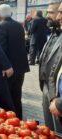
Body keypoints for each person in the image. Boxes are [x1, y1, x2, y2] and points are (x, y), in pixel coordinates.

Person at [0, 4, 30, 119]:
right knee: (16, 97)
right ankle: (19, 120)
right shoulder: (19, 26)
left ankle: (8, 122)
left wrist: (2, 66)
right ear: (11, 13)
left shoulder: (0, 27)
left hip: (8, 69)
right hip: (20, 68)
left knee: (5, 99)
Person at [39, 0, 62, 132]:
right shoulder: (53, 31)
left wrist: (56, 98)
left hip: (56, 94)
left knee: (58, 130)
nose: (48, 15)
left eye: (51, 12)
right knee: (49, 129)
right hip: (46, 86)